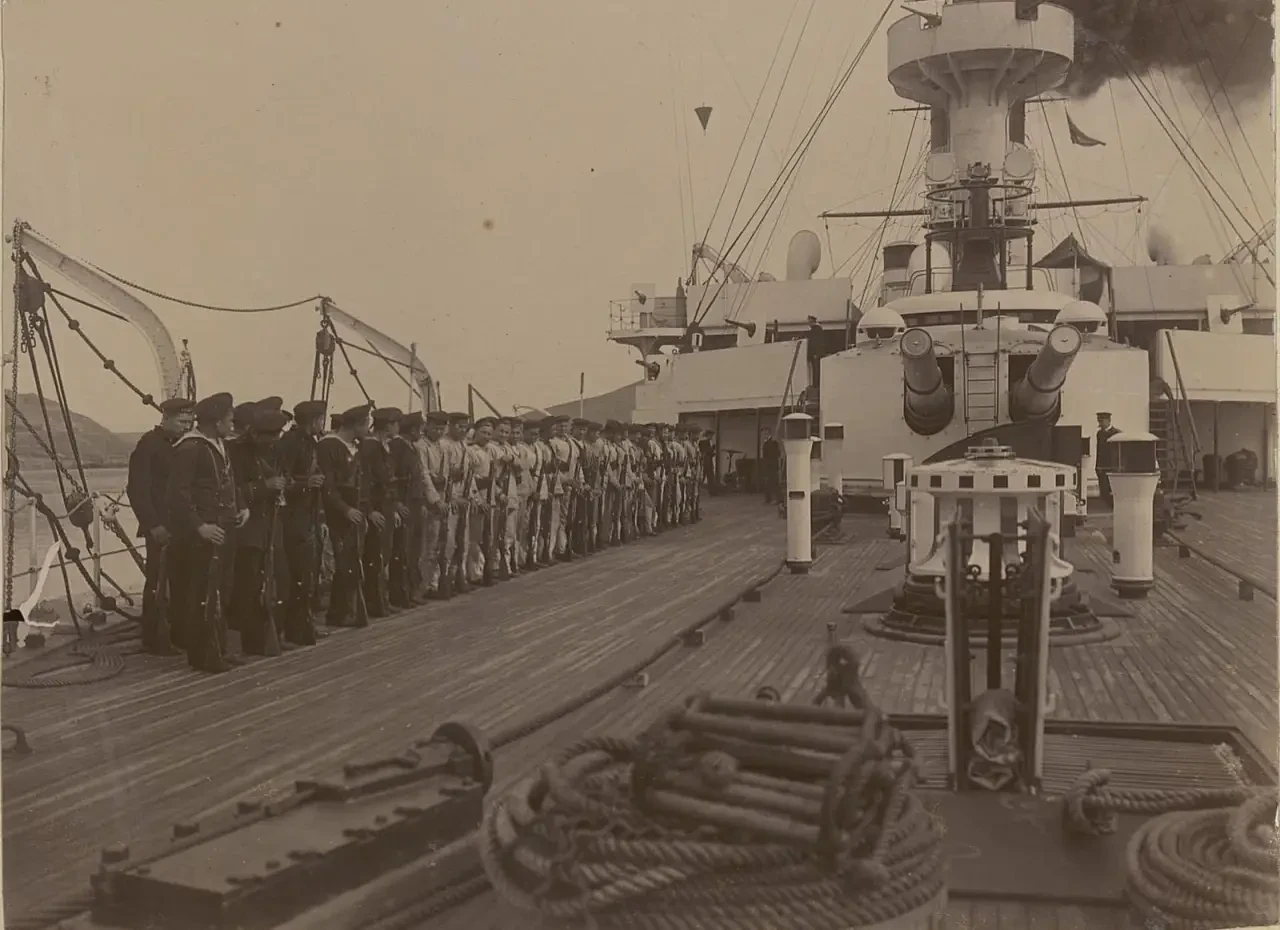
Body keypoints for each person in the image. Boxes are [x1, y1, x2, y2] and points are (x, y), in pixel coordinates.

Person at [166, 391, 248, 674]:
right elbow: (177, 494)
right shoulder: (191, 448)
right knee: (203, 593)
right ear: (216, 422)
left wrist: (242, 507)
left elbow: (230, 482)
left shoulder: (219, 445)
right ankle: (203, 655)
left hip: (224, 528)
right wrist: (200, 526)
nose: (232, 423)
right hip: (204, 534)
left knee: (221, 590)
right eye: (229, 419)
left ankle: (218, 648)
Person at [127, 396, 195, 655]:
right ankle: (155, 637)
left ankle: (179, 634)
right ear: (165, 418)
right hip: (161, 527)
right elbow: (137, 490)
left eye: (189, 422)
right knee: (158, 581)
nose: (186, 426)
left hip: (183, 526)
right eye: (181, 421)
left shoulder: (185, 444)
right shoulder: (149, 445)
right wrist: (153, 525)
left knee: (182, 580)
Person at [228, 405, 291, 656]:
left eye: (277, 435)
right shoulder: (235, 452)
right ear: (255, 434)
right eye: (270, 436)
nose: (275, 440)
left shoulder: (274, 450)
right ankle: (252, 640)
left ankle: (272, 633)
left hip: (271, 526)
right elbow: (232, 491)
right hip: (249, 530)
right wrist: (264, 486)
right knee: (250, 586)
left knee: (280, 581)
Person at [275, 398, 327, 645]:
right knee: (297, 572)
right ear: (314, 420)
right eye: (320, 419)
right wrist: (306, 483)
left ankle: (303, 624)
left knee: (307, 572)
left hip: (307, 514)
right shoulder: (291, 443)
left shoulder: (310, 442)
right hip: (293, 516)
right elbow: (281, 479)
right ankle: (293, 628)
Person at [317, 404, 369, 628]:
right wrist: (345, 509)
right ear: (356, 425)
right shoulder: (329, 446)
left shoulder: (355, 447)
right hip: (337, 514)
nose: (368, 429)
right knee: (341, 563)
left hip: (354, 513)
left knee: (351, 562)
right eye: (366, 424)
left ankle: (347, 609)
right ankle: (337, 613)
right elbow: (328, 487)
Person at [360, 407, 401, 618]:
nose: (398, 427)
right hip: (377, 507)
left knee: (384, 554)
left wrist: (393, 509)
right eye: (396, 423)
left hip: (386, 505)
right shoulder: (371, 447)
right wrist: (369, 511)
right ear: (387, 425)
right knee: (376, 556)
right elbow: (365, 480)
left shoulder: (384, 446)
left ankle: (381, 600)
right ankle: (375, 603)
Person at [390, 411, 426, 607]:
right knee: (402, 549)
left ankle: (410, 590)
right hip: (404, 503)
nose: (421, 432)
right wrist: (396, 503)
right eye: (420, 429)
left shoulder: (412, 448)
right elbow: (391, 478)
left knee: (413, 549)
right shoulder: (397, 447)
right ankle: (400, 594)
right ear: (413, 430)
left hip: (415, 502)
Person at [416, 411, 450, 598]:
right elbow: (424, 475)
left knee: (438, 543)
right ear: (427, 426)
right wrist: (435, 499)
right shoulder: (421, 446)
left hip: (443, 497)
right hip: (428, 500)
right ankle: (424, 584)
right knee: (426, 544)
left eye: (441, 428)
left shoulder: (444, 446)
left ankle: (435, 583)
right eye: (435, 428)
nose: (438, 432)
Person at [1095, 411, 1120, 507]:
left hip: (1113, 468)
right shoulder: (1099, 434)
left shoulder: (1117, 433)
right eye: (1099, 421)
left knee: (1113, 491)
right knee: (1104, 492)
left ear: (1108, 421)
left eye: (1101, 421)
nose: (1100, 423)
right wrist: (1097, 466)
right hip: (1102, 468)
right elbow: (1099, 451)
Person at [760, 427, 781, 504]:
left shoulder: (773, 443)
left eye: (764, 433)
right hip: (767, 465)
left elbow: (777, 453)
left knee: (775, 482)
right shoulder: (766, 443)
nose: (763, 435)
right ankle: (768, 499)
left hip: (772, 466)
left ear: (768, 433)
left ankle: (778, 499)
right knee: (767, 483)